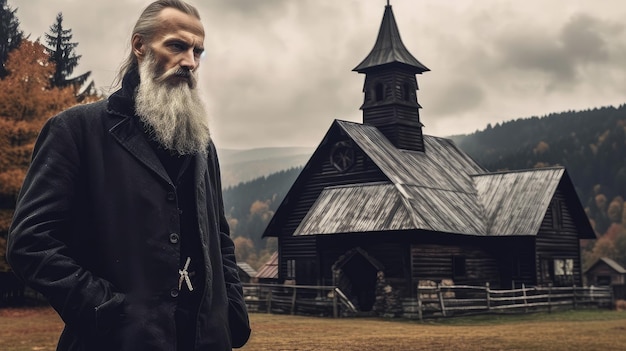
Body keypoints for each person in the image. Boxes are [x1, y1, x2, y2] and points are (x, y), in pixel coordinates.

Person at [6, 1, 251, 350]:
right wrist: (105, 309)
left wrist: (233, 314)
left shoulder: (202, 145)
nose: (190, 62)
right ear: (140, 46)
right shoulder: (75, 131)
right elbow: (30, 242)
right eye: (177, 46)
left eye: (199, 52)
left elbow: (219, 238)